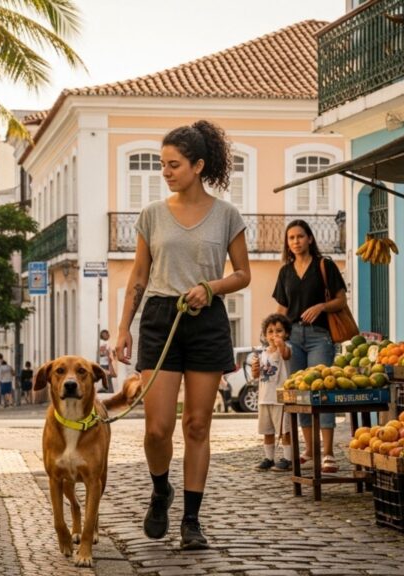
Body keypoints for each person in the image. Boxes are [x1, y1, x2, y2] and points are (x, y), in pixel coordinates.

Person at [114, 120, 250, 550]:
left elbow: (244, 274)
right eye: (162, 164)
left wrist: (211, 287)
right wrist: (123, 328)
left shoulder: (227, 215)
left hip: (207, 319)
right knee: (157, 429)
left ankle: (191, 520)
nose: (165, 172)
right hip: (160, 316)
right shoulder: (152, 214)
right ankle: (161, 490)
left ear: (198, 165)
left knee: (196, 425)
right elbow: (138, 273)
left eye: (173, 165)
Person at [272, 219, 347, 474]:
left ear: (310, 239)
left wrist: (321, 307)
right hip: (293, 338)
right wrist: (274, 336)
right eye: (291, 238)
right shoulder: (285, 272)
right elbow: (282, 309)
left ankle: (327, 453)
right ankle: (309, 449)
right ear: (288, 243)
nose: (296, 241)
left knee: (322, 394)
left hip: (319, 337)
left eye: (300, 237)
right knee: (300, 395)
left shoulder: (324, 266)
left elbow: (340, 300)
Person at [251, 314, 293, 472]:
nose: (274, 335)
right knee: (267, 430)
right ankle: (269, 458)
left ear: (286, 334)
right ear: (264, 335)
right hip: (264, 398)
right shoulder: (262, 353)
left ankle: (288, 459)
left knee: (285, 430)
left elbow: (285, 354)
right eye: (270, 331)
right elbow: (256, 375)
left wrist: (280, 344)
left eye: (279, 331)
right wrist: (254, 370)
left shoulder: (286, 350)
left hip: (280, 399)